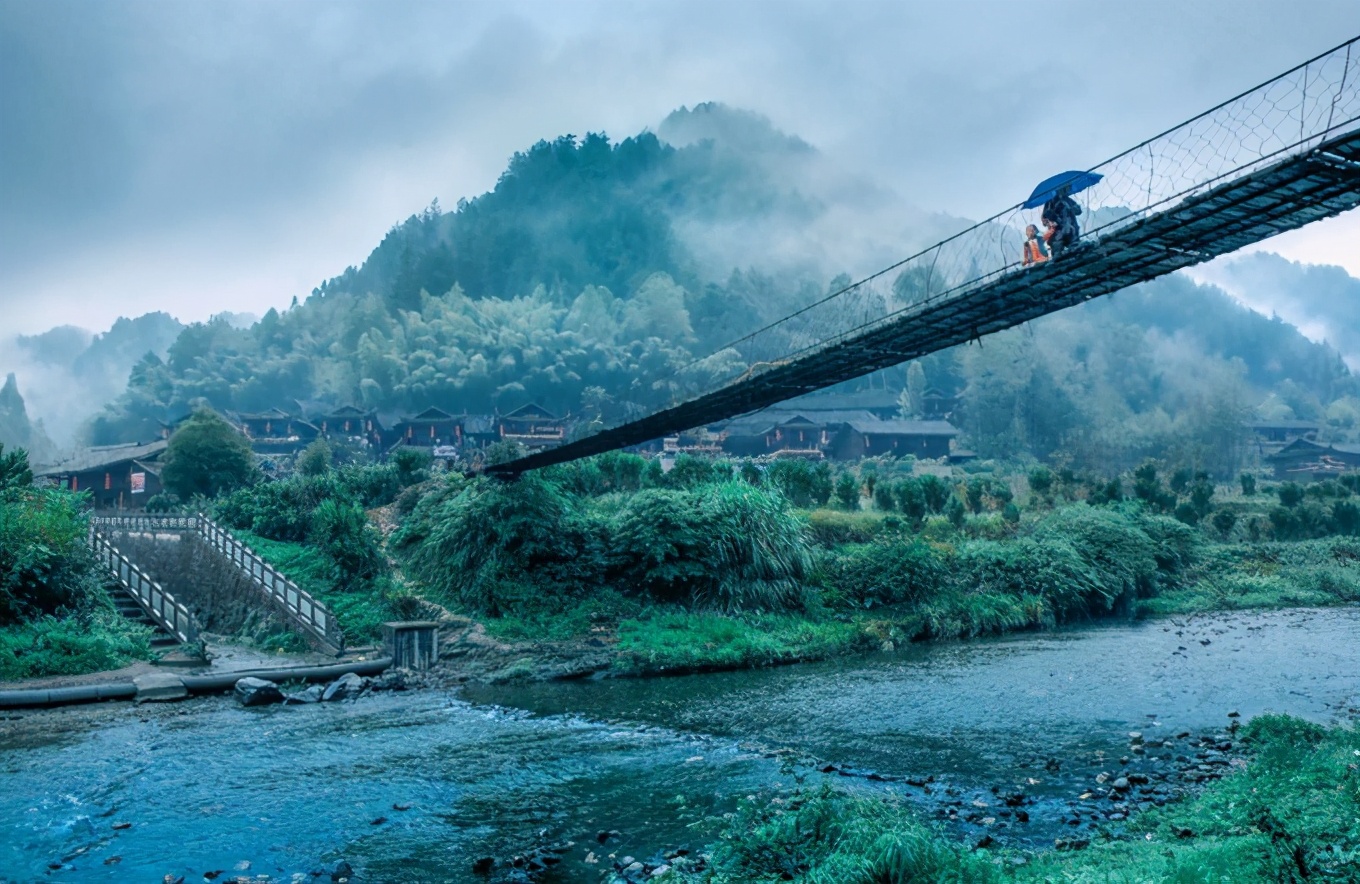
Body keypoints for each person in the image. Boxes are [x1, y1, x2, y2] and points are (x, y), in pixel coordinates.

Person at [1041, 184, 1082, 258]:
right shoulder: (1050, 202)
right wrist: (1053, 219)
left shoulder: (1068, 200)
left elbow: (1078, 211)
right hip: (1058, 235)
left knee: (1077, 253)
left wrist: (1073, 209)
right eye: (1066, 187)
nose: (1068, 189)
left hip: (1072, 231)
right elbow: (1044, 219)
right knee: (1058, 256)